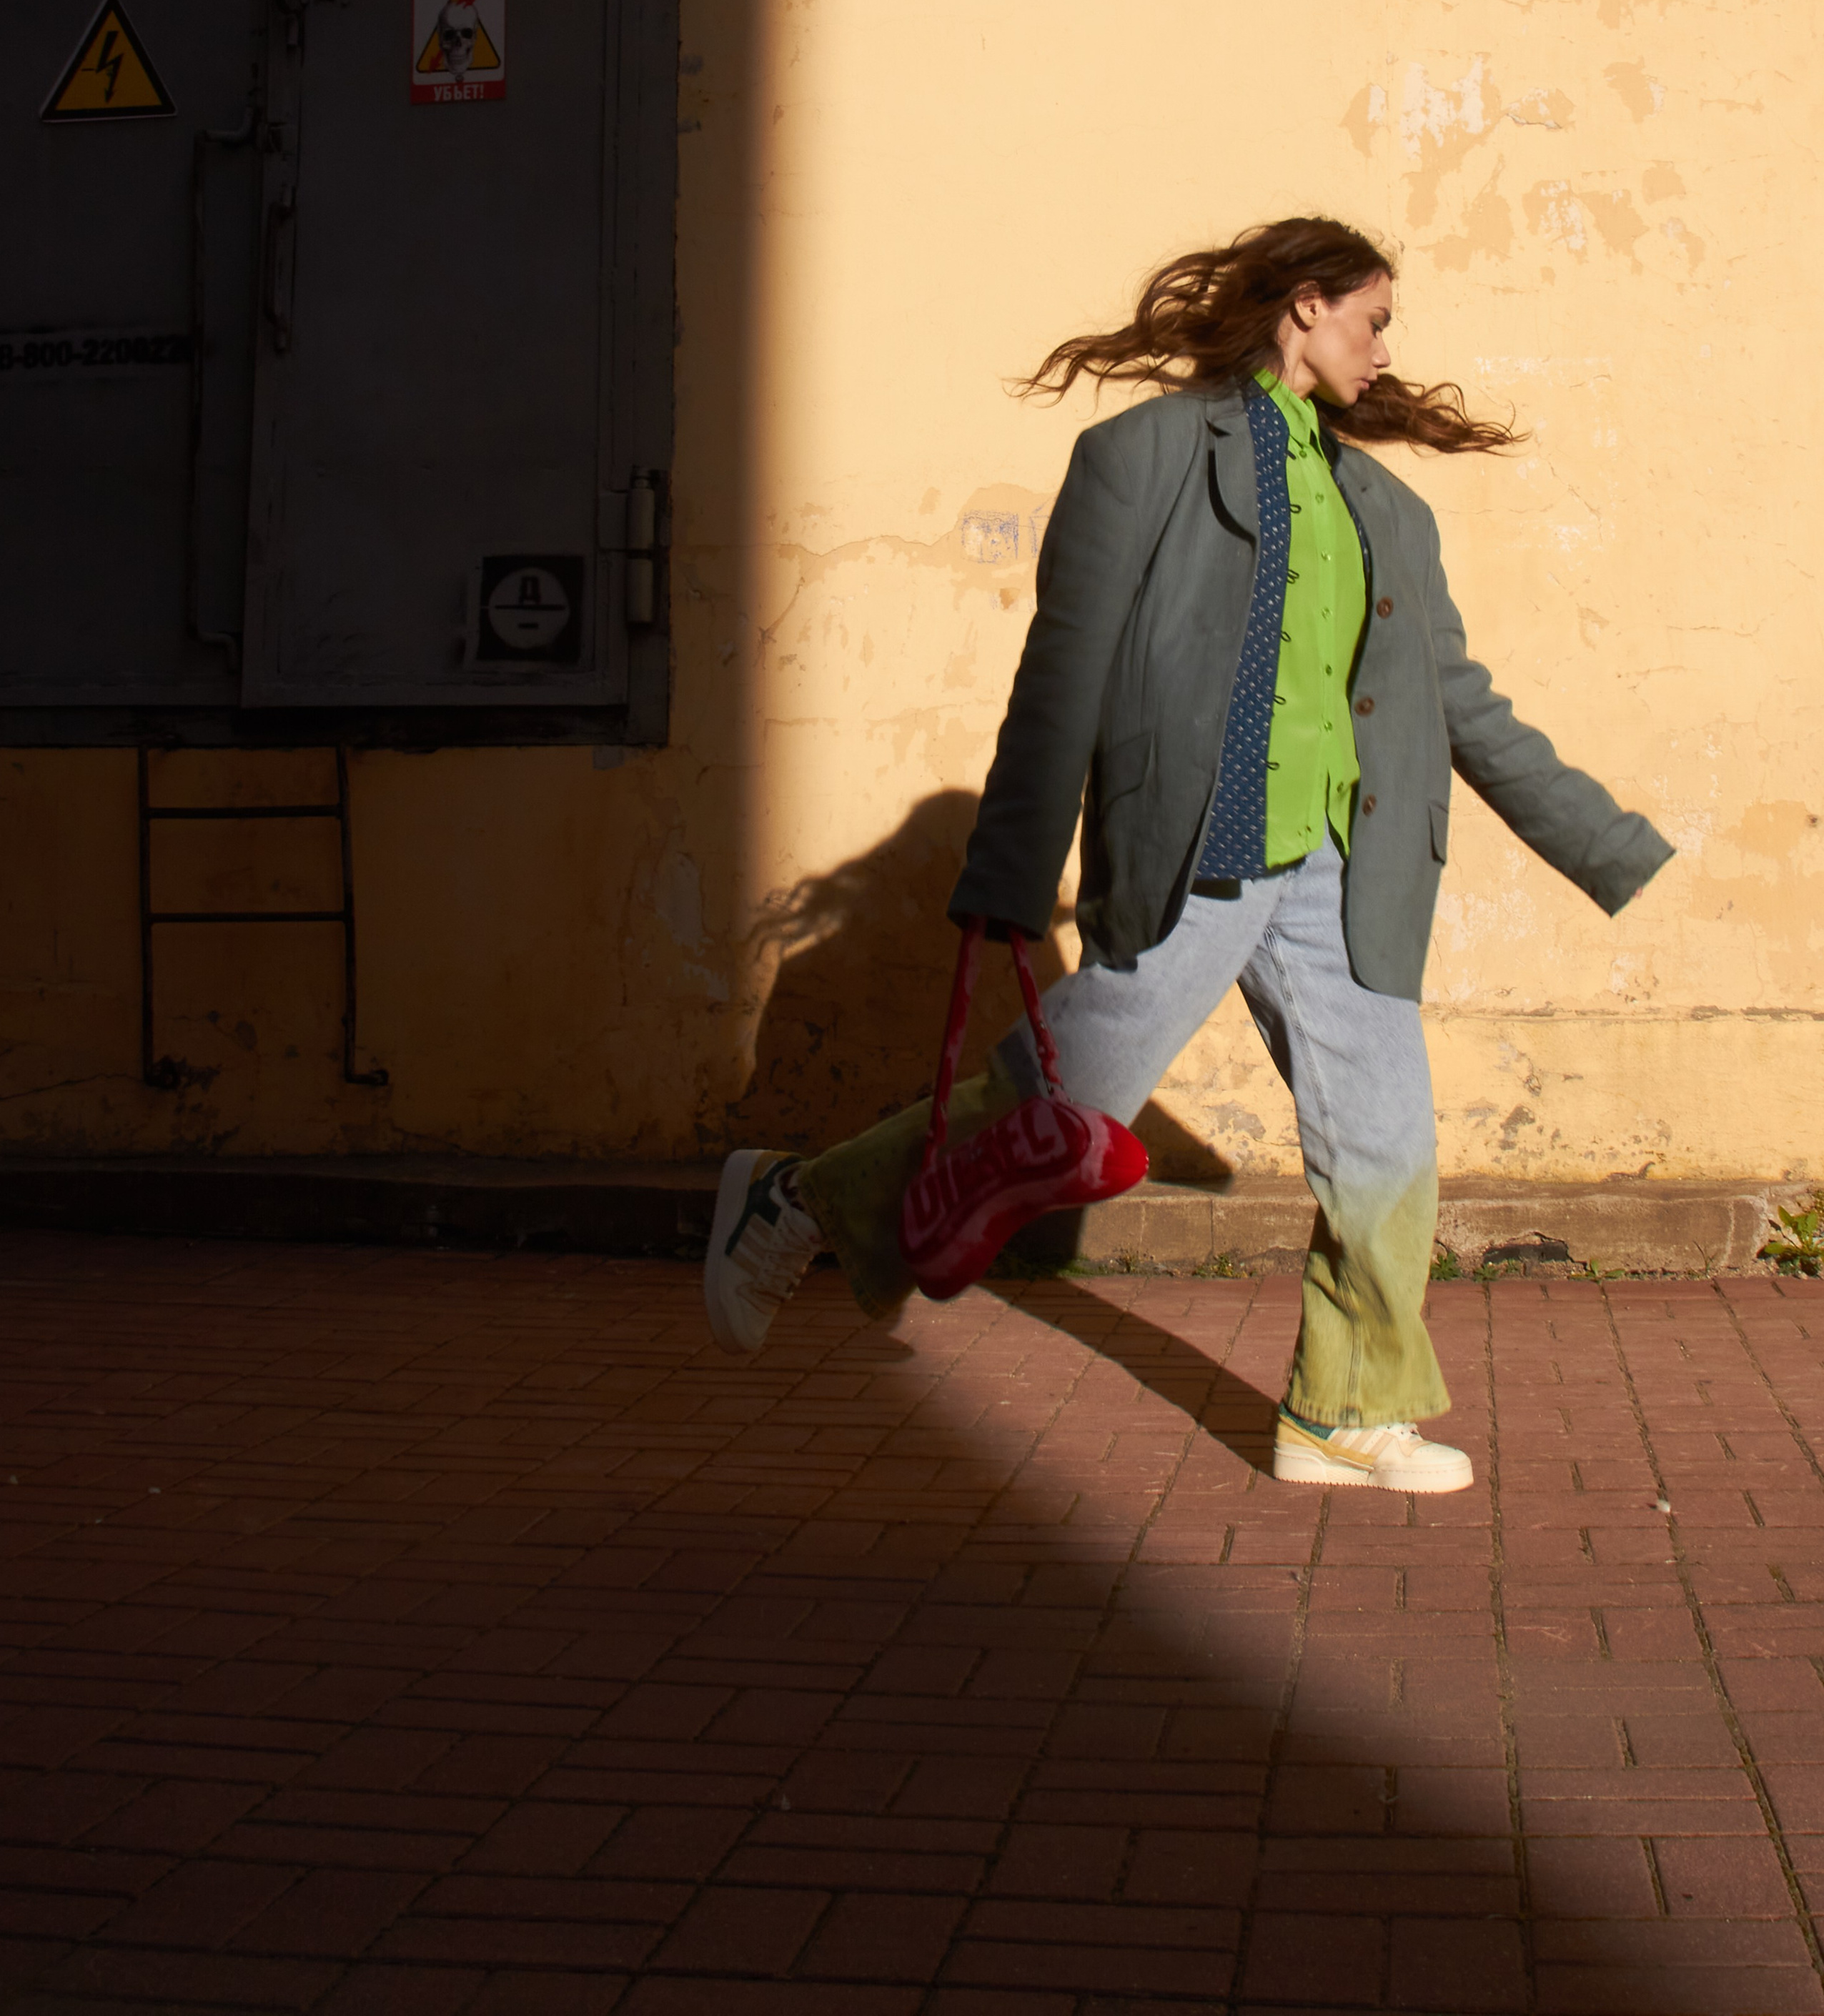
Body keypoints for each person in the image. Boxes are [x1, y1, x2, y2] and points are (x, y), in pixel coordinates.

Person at [703, 217, 1672, 1493]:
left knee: (1387, 1142)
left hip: (1348, 864)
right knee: (1059, 1110)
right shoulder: (1144, 457)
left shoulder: (1388, 508)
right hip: (1202, 847)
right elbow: (1066, 674)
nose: (1387, 352)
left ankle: (1344, 1411)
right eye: (1375, 320)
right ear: (1306, 308)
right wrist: (1008, 871)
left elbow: (1462, 706)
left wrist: (1611, 847)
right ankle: (791, 1204)